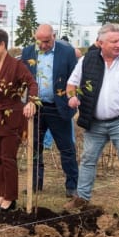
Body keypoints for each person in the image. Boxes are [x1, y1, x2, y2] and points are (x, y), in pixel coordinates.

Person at [64, 23, 119, 216]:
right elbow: (71, 84)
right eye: (114, 41)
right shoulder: (87, 61)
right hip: (94, 122)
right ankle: (82, 198)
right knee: (87, 160)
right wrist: (72, 97)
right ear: (101, 43)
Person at [0, 29, 38, 212]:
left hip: (12, 116)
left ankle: (10, 198)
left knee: (8, 158)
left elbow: (32, 84)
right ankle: (2, 194)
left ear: (2, 44)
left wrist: (31, 102)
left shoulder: (16, 66)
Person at [22, 24, 79, 197]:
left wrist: (72, 98)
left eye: (46, 41)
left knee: (66, 148)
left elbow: (75, 77)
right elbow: (24, 78)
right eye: (39, 41)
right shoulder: (28, 52)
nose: (43, 45)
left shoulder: (67, 52)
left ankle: (72, 186)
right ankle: (34, 184)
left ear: (54, 36)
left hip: (58, 107)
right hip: (36, 108)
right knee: (34, 147)